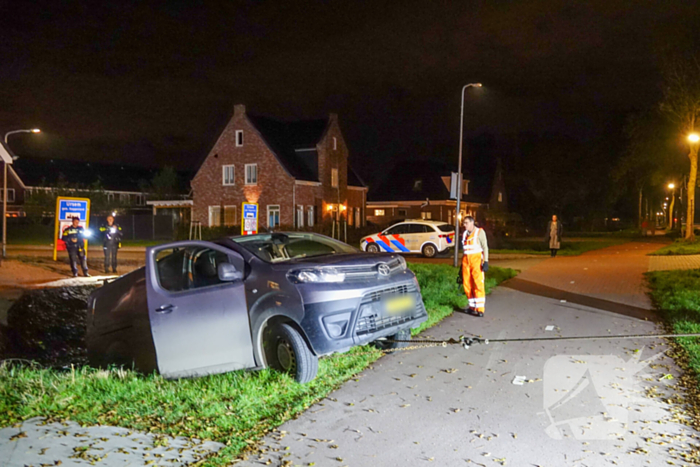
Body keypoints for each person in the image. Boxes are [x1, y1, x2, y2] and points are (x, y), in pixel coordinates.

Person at [460, 216, 489, 317]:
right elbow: (465, 251)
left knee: (478, 284)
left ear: (472, 223)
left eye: (466, 223)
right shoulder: (464, 234)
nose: (464, 225)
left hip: (476, 262)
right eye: (464, 223)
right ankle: (472, 307)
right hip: (466, 262)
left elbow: (485, 247)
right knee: (467, 285)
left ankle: (480, 309)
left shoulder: (479, 232)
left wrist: (486, 261)